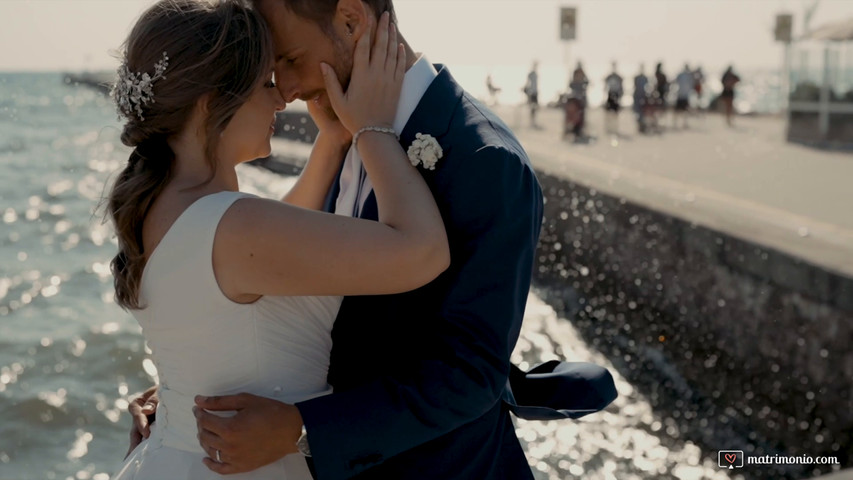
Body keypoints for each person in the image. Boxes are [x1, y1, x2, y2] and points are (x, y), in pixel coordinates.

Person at [128, 0, 617, 479]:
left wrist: (303, 430)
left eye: (290, 61)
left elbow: (469, 374)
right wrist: (194, 385)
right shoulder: (340, 133)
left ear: (351, 20)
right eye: (272, 73)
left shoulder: (484, 158)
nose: (288, 90)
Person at [108, 1, 450, 479]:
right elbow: (423, 252)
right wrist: (371, 129)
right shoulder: (234, 228)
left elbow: (271, 251)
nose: (281, 98)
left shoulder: (161, 205)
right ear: (211, 104)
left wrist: (332, 141)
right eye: (266, 83)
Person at [603, 61, 623, 135]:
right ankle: (609, 128)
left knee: (615, 114)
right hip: (611, 94)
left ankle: (614, 128)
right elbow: (605, 85)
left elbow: (621, 87)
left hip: (615, 95)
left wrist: (621, 95)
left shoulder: (618, 77)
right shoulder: (610, 76)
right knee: (609, 113)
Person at [674, 63, 694, 128]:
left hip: (684, 95)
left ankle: (683, 123)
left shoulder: (689, 75)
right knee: (680, 110)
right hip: (682, 94)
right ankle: (677, 123)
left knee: (684, 111)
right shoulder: (685, 75)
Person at [523, 60, 540, 128]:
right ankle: (532, 122)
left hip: (535, 92)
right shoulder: (531, 74)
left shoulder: (536, 73)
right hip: (532, 92)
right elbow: (528, 83)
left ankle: (533, 121)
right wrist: (527, 90)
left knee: (535, 108)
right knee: (533, 107)